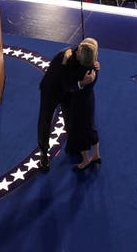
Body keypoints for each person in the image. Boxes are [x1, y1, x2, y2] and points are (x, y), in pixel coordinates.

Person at [36, 37, 98, 172]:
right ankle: (43, 153)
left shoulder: (86, 54)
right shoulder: (64, 58)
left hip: (69, 91)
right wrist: (82, 83)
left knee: (70, 117)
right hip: (51, 91)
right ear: (79, 53)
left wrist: (95, 65)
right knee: (45, 120)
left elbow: (83, 70)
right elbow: (65, 83)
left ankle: (73, 144)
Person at [64, 38, 102, 171]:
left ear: (82, 57)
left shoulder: (78, 72)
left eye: (79, 51)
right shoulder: (94, 68)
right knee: (91, 126)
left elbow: (69, 85)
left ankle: (85, 160)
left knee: (79, 132)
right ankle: (96, 154)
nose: (76, 52)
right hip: (90, 100)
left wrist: (65, 62)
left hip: (79, 104)